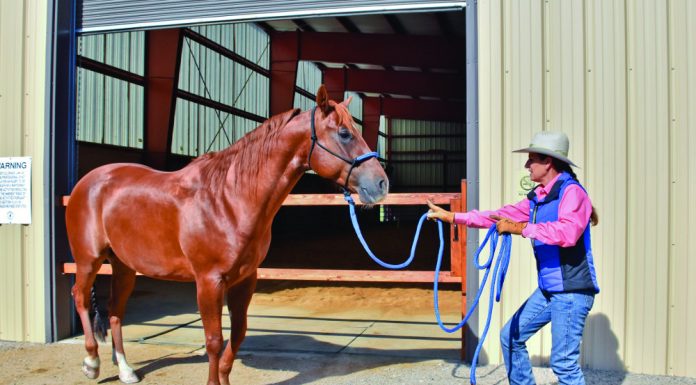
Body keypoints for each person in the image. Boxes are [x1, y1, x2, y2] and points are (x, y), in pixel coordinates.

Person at [426, 131, 599, 385]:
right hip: (550, 289)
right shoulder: (538, 198)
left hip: (572, 291)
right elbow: (497, 216)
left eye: (531, 160)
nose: (526, 165)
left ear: (548, 162)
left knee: (564, 364)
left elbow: (568, 232)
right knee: (510, 337)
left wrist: (520, 229)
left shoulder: (572, 193)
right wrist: (453, 217)